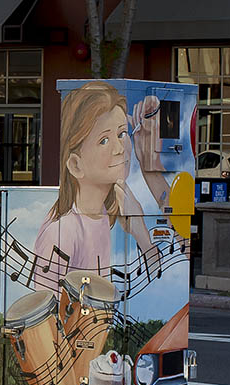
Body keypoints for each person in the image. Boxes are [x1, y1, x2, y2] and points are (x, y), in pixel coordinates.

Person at [33, 82, 163, 288]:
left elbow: (159, 287)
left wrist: (140, 230)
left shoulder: (103, 215)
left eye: (122, 134)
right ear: (75, 164)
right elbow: (45, 308)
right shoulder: (63, 231)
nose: (120, 148)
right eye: (104, 140)